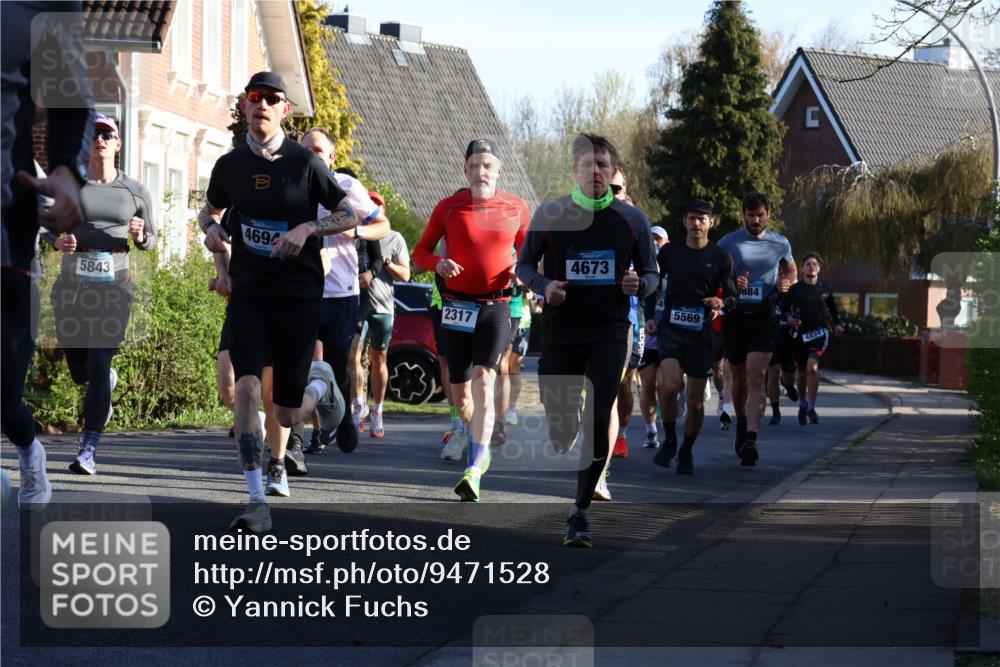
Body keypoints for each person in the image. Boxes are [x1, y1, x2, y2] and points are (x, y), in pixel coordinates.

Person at [199, 72, 358, 533]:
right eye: (255, 98)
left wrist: (307, 229)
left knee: (284, 411)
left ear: (285, 110)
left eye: (272, 99)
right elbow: (210, 211)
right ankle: (255, 499)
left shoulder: (306, 163)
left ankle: (322, 386)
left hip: (298, 295)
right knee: (245, 389)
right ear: (244, 107)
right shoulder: (229, 166)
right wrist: (209, 229)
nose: (262, 105)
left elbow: (347, 213)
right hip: (250, 292)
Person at [517, 133, 658, 547]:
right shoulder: (550, 213)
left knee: (598, 418)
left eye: (602, 165)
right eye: (587, 164)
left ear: (613, 173)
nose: (595, 171)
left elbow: (652, 274)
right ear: (574, 170)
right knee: (561, 429)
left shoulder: (633, 221)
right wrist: (544, 286)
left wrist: (639, 283)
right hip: (562, 333)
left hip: (610, 332)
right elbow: (523, 265)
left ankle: (579, 511)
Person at [2, 1, 94, 509]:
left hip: (5, 212)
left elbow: (70, 90)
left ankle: (29, 451)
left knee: (2, 394)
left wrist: (66, 170)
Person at [413, 139, 530, 502]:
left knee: (485, 378)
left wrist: (522, 273)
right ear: (465, 170)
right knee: (460, 394)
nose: (480, 172)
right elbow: (420, 252)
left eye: (487, 166)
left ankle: (475, 466)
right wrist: (439, 264)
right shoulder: (449, 207)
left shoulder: (517, 207)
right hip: (456, 306)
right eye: (474, 166)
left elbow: (531, 254)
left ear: (498, 170)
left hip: (496, 305)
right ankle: (479, 439)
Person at [44, 114, 155, 474]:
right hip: (72, 287)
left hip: (115, 289)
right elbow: (47, 227)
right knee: (81, 369)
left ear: (118, 144)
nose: (101, 140)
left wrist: (139, 237)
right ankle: (102, 382)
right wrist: (57, 240)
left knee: (98, 358)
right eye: (95, 134)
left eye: (108, 134)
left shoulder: (135, 191)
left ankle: (88, 448)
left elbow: (150, 241)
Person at [294, 129, 390, 457]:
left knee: (336, 367)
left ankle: (345, 415)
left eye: (318, 150)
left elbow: (383, 226)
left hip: (340, 291)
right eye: (305, 149)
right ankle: (295, 440)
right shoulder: (289, 187)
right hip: (300, 292)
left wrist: (354, 229)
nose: (311, 155)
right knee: (297, 365)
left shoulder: (347, 187)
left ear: (332, 158)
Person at [646, 199, 736, 474]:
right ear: (684, 221)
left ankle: (686, 449)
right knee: (670, 387)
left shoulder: (721, 257)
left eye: (702, 218)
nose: (696, 223)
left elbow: (733, 296)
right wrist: (650, 316)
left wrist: (722, 304)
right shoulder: (670, 252)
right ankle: (670, 440)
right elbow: (651, 283)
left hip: (701, 333)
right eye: (692, 218)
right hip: (671, 328)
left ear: (711, 222)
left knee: (696, 402)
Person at [718, 192, 796, 467]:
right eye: (750, 215)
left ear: (769, 214)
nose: (755, 220)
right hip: (736, 316)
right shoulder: (728, 242)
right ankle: (741, 425)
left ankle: (751, 437)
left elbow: (791, 271)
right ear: (744, 215)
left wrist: (786, 283)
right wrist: (731, 283)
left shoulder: (779, 243)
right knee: (738, 379)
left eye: (760, 215)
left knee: (755, 375)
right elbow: (717, 276)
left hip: (764, 316)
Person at [350, 227, 410, 438]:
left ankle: (378, 410)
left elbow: (406, 274)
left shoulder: (395, 238)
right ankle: (359, 406)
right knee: (353, 356)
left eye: (377, 207)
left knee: (379, 359)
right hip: (358, 306)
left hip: (383, 309)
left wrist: (387, 262)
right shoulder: (356, 233)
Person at [784, 252, 843, 424]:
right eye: (808, 264)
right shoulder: (795, 290)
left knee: (813, 368)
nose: (811, 266)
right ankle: (802, 404)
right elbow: (783, 309)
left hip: (819, 333)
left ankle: (811, 407)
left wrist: (838, 324)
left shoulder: (825, 288)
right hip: (799, 337)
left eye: (814, 264)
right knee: (801, 374)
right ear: (803, 268)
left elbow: (833, 309)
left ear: (819, 268)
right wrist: (789, 319)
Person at [638, 226, 669, 448]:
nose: (654, 242)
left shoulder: (675, 264)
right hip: (646, 328)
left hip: (670, 331)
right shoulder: (640, 263)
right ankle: (651, 430)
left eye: (658, 239)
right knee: (648, 384)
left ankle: (669, 428)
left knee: (664, 385)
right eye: (651, 239)